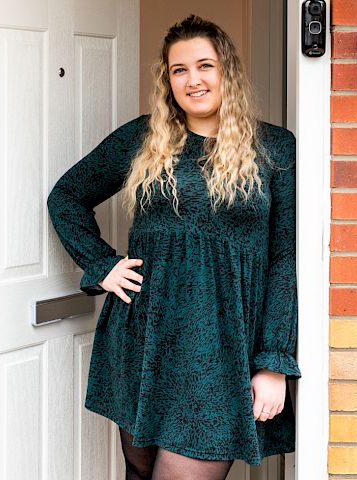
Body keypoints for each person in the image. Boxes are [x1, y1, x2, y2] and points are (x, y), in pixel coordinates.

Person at [47, 14, 300, 480]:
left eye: (205, 65)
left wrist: (273, 363)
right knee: (140, 472)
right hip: (145, 334)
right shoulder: (144, 137)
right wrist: (102, 264)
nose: (193, 79)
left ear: (228, 71)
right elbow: (66, 197)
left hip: (224, 348)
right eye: (178, 69)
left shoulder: (276, 149)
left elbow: (286, 260)